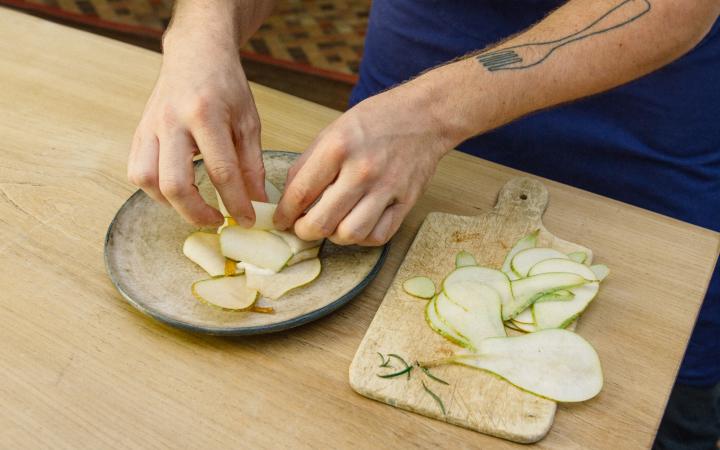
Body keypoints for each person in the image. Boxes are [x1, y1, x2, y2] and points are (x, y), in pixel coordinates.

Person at [127, 1, 720, 447]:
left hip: (633, 170)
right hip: (385, 133)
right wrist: (197, 39)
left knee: (652, 416)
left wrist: (431, 115)